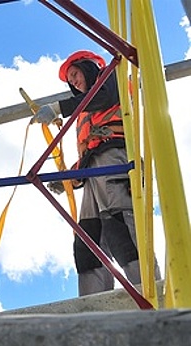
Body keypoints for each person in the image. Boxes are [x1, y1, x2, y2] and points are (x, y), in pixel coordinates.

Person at [31, 50, 160, 296]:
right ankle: (93, 303)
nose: (74, 81)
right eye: (70, 79)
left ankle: (150, 293)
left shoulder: (111, 77)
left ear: (88, 67)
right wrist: (69, 179)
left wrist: (59, 107)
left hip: (115, 160)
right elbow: (89, 152)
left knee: (121, 227)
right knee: (89, 240)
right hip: (94, 173)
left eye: (75, 74)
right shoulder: (84, 112)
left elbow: (104, 106)